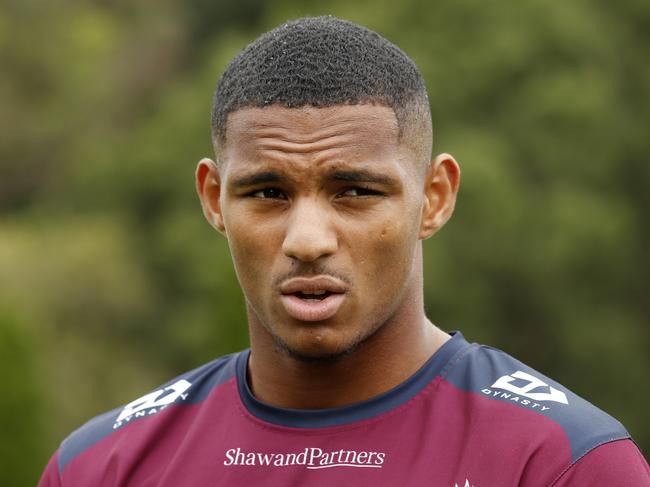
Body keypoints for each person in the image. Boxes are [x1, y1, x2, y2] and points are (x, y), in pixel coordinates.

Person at [38, 16, 648, 486]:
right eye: (268, 192)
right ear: (215, 199)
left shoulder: (561, 462)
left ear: (434, 198)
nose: (307, 241)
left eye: (355, 191)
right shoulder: (101, 467)